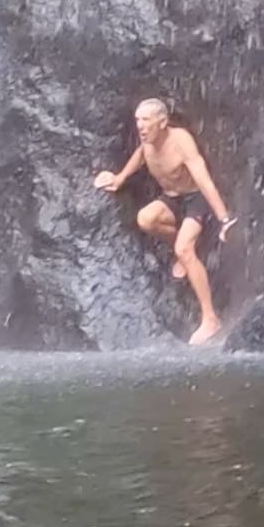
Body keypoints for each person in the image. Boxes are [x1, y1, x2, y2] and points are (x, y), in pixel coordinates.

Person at [93, 98, 239, 345]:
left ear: (162, 122)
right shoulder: (148, 140)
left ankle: (211, 318)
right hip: (171, 199)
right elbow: (141, 155)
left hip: (196, 199)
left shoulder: (181, 141)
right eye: (137, 119)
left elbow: (204, 181)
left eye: (146, 120)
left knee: (184, 248)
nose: (140, 125)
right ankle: (184, 252)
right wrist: (119, 179)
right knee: (145, 219)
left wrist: (224, 218)